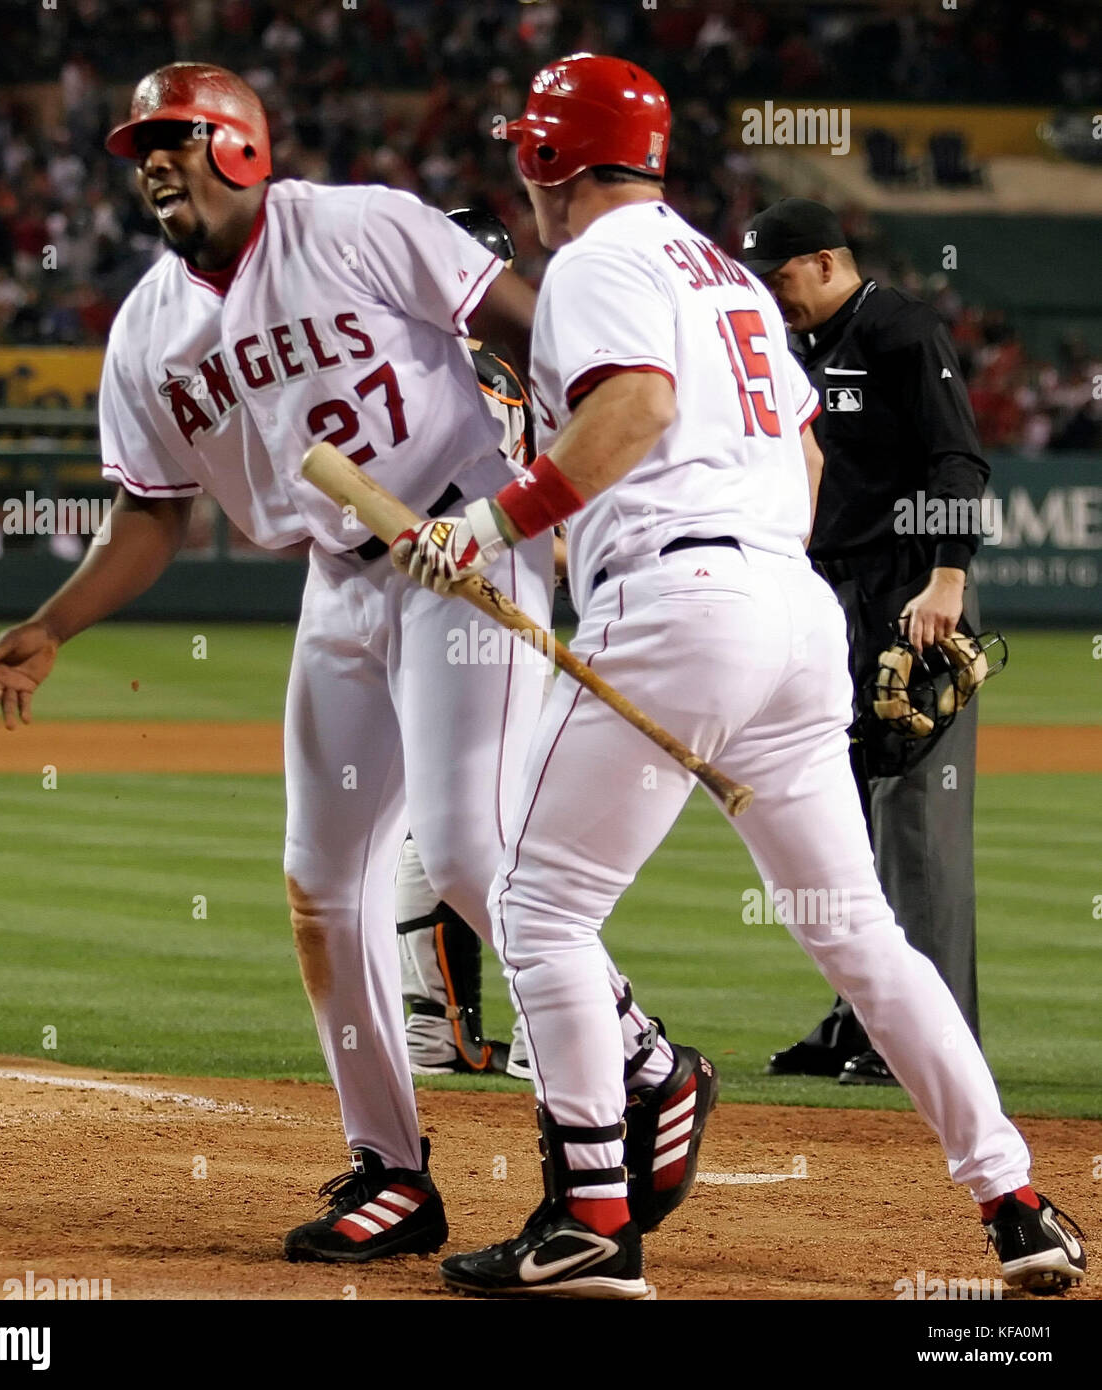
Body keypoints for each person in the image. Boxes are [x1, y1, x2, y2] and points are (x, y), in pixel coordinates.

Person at [0, 62, 713, 1266]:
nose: (153, 160)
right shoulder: (150, 328)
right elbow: (151, 517)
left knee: (470, 848)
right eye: (142, 145)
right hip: (342, 578)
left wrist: (548, 490)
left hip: (462, 542)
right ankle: (394, 1170)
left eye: (178, 137)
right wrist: (54, 623)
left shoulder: (358, 223)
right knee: (322, 888)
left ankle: (647, 1066)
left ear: (244, 149)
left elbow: (536, 327)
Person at [393, 52, 1086, 1299]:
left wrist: (489, 529)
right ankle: (1019, 1199)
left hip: (679, 603)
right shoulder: (727, 274)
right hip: (792, 605)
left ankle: (591, 1216)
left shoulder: (597, 263)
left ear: (552, 159)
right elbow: (809, 464)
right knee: (861, 935)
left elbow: (637, 411)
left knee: (540, 908)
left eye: (527, 150)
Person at [741, 198, 989, 1086]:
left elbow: (957, 459)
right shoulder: (794, 343)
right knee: (839, 818)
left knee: (914, 819)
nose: (773, 295)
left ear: (823, 260)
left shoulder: (896, 327)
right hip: (827, 591)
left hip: (909, 585)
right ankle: (861, 1019)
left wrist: (948, 578)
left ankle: (935, 1032)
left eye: (779, 276)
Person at [396, 207, 533, 1082]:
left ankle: (433, 1026)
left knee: (435, 817)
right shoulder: (512, 372)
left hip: (434, 589)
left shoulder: (422, 369)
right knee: (502, 817)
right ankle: (535, 1031)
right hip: (494, 590)